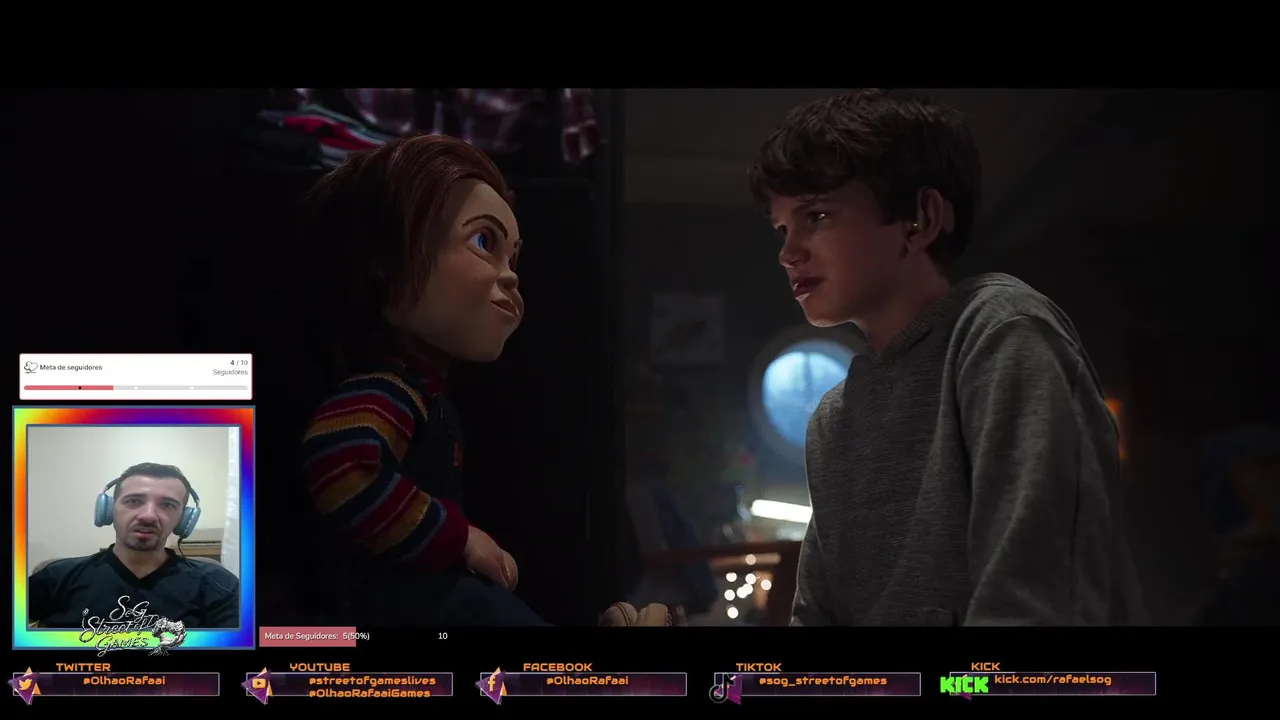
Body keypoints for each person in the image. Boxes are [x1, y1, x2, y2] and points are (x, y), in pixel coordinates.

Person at [749, 89, 1145, 626]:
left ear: (922, 217)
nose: (787, 252)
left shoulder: (999, 332)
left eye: (816, 215)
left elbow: (1033, 605)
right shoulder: (834, 419)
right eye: (781, 228)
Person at [295, 134, 679, 627]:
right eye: (483, 242)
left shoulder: (424, 397)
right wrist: (458, 538)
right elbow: (341, 468)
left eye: (512, 258)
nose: (511, 277)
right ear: (385, 262)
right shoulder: (385, 393)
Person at [29, 462, 240, 629]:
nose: (148, 515)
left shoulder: (218, 584)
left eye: (167, 505)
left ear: (183, 519)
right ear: (109, 510)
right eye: (134, 501)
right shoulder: (56, 578)